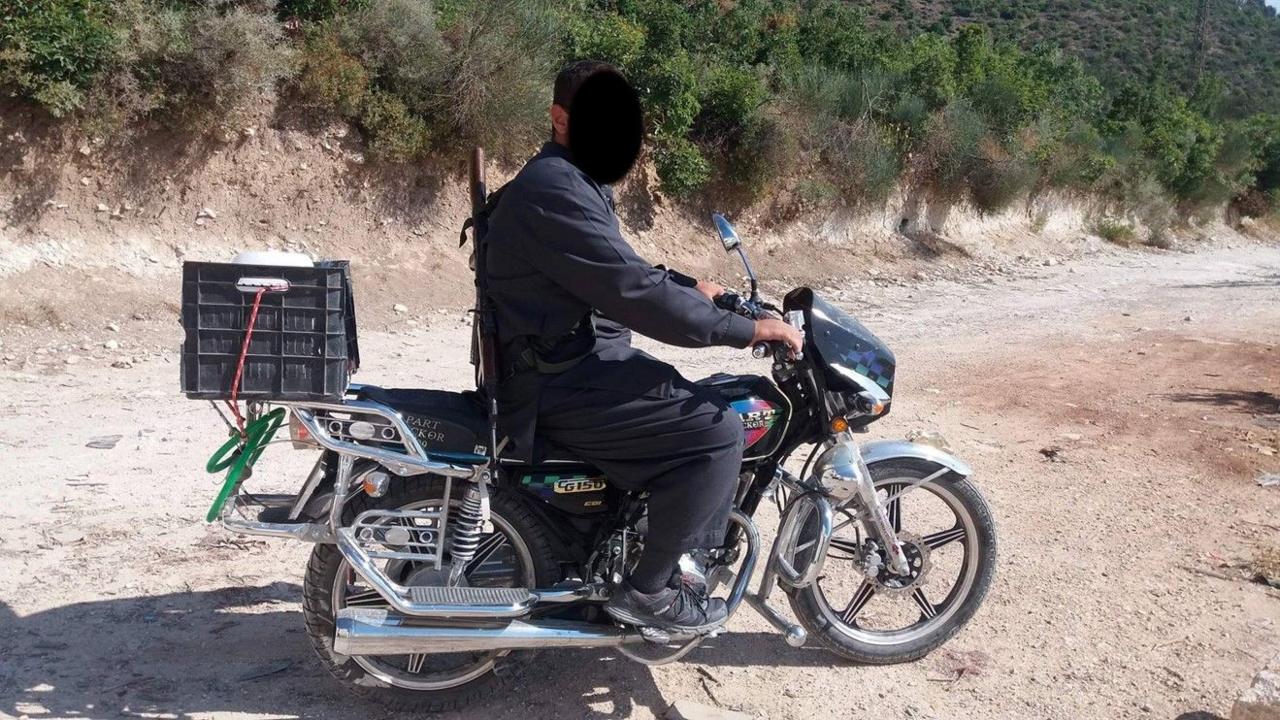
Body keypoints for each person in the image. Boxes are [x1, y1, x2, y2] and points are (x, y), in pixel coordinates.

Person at [484, 60, 803, 632]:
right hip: (561, 380)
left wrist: (696, 287)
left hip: (568, 362)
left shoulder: (573, 180)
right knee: (716, 432)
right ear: (561, 118)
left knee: (690, 403)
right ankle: (649, 590)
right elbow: (631, 292)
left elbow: (616, 270)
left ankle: (645, 546)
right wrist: (744, 330)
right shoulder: (554, 188)